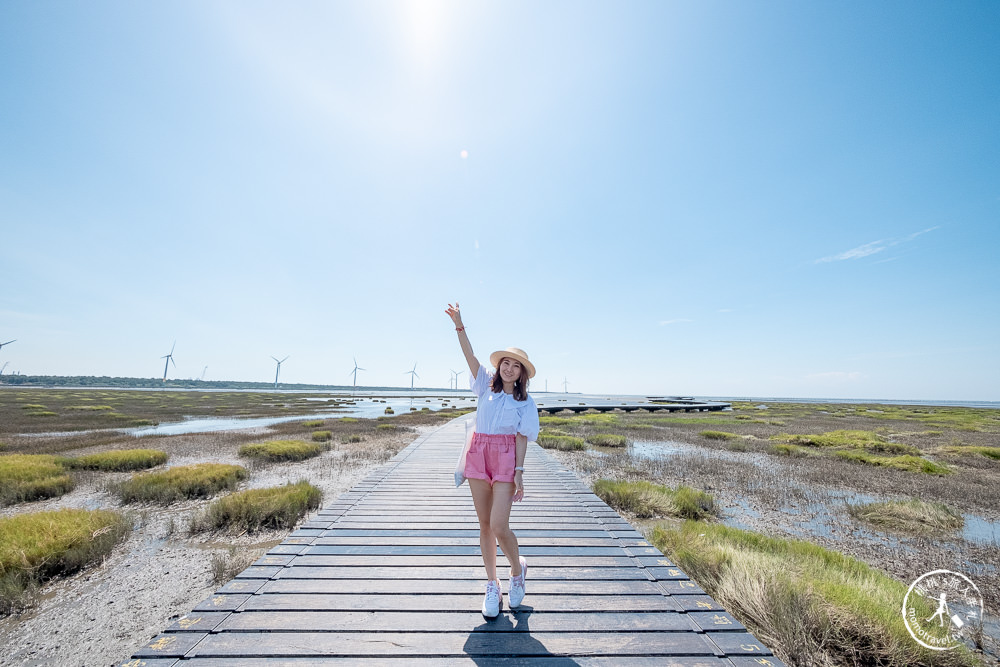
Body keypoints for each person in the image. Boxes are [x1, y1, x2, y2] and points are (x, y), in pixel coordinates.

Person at [446, 302, 540, 618]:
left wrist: (520, 472)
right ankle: (491, 584)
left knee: (500, 525)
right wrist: (460, 325)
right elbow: (469, 356)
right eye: (505, 362)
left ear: (522, 373)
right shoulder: (485, 383)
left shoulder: (525, 403)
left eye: (515, 365)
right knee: (484, 524)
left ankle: (517, 570)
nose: (508, 367)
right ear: (499, 366)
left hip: (505, 457)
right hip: (478, 453)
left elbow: (521, 437)